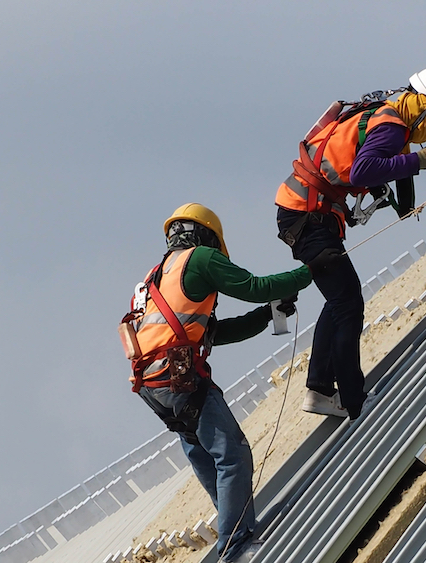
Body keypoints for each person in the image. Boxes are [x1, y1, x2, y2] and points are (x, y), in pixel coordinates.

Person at [273, 67, 426, 420]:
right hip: (310, 215)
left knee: (340, 299)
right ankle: (354, 400)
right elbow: (364, 170)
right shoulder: (392, 126)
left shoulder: (386, 115)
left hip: (301, 211)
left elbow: (382, 164)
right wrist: (421, 160)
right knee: (348, 304)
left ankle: (319, 389)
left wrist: (406, 202)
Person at [121, 203, 311, 563]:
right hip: (178, 378)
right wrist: (309, 271)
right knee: (233, 454)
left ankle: (235, 532)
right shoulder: (201, 259)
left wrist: (265, 315)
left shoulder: (156, 277)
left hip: (153, 386)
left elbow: (214, 333)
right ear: (206, 236)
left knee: (206, 456)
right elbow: (254, 286)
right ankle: (236, 544)